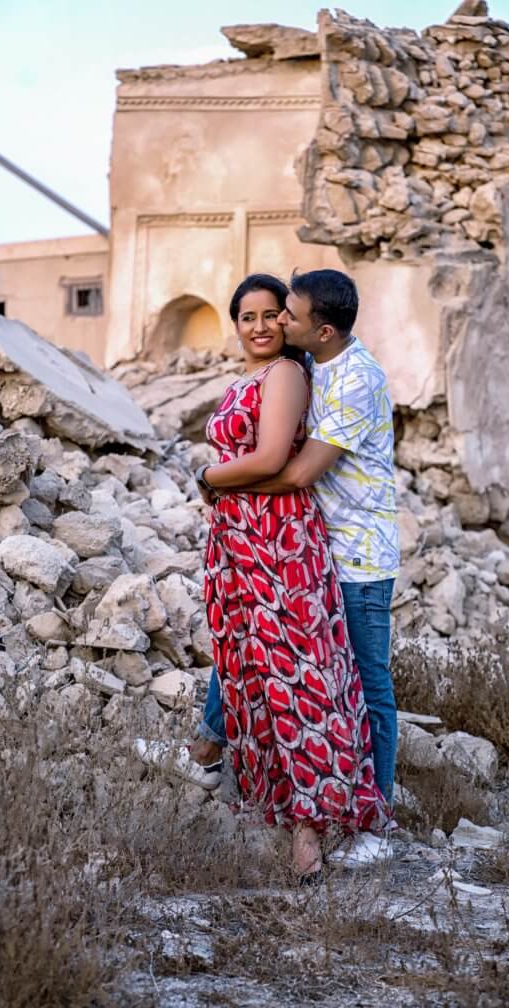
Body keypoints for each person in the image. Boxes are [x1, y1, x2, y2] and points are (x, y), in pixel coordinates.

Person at [194, 269, 400, 862]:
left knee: (366, 683)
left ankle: (372, 824)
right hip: (309, 542)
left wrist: (217, 480)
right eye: (262, 314)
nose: (278, 321)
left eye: (289, 314)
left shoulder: (356, 379)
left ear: (323, 329)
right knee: (258, 640)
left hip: (358, 553)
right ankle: (210, 745)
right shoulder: (311, 366)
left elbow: (295, 470)